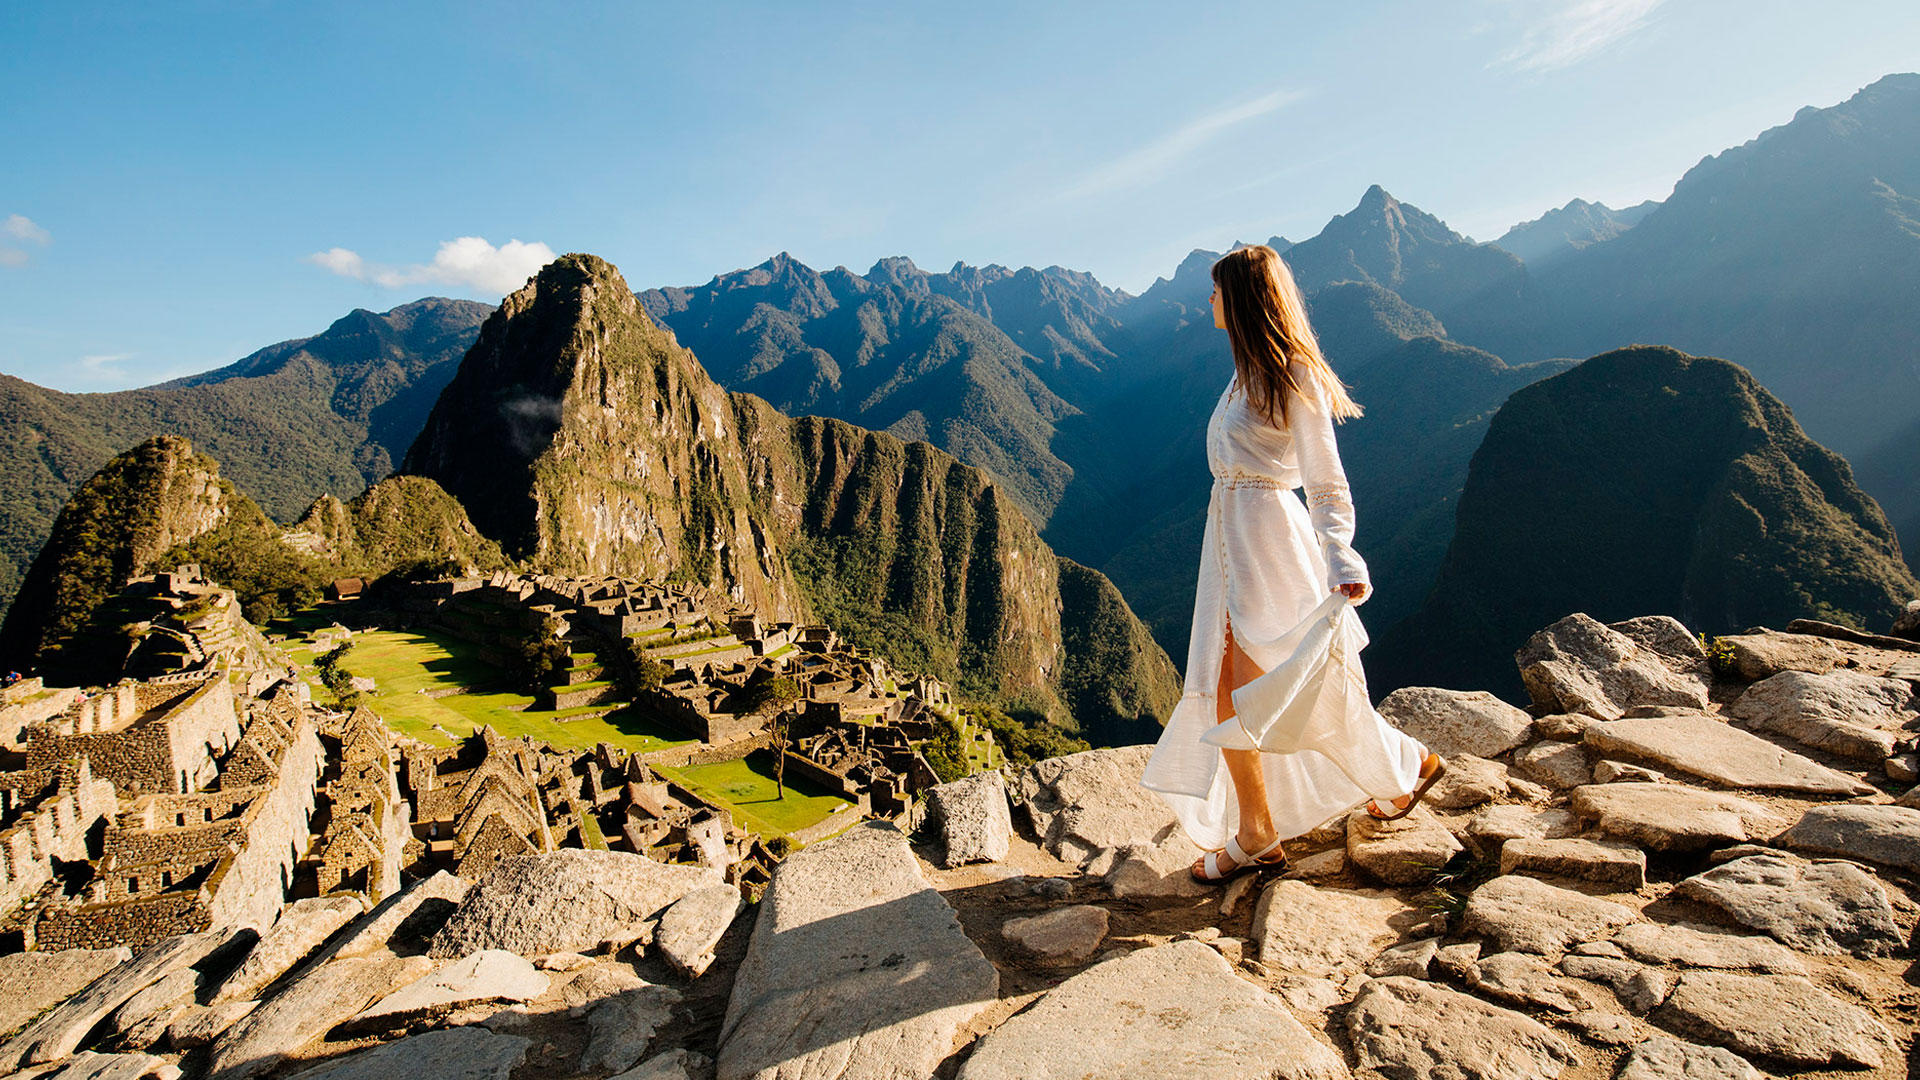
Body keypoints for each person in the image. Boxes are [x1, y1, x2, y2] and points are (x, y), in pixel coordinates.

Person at [1138, 244, 1446, 882]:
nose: (1210, 301)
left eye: (1217, 290)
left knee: (1271, 688)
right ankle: (1280, 821)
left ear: (1244, 299)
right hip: (1231, 545)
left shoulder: (1292, 373)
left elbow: (1326, 479)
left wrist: (1341, 553)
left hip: (1271, 546)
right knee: (1244, 688)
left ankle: (1275, 825)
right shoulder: (1244, 371)